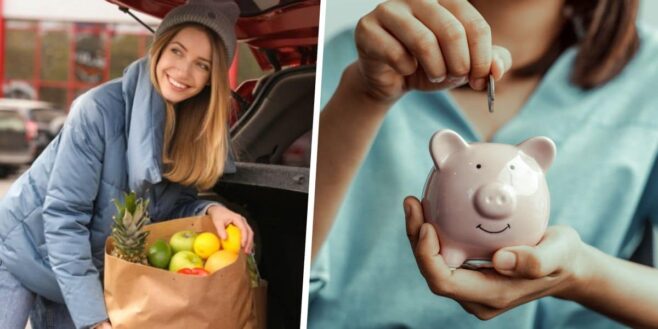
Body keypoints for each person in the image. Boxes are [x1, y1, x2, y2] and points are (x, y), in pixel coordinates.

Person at [310, 0, 658, 328]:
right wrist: (362, 95)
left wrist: (583, 272)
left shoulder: (649, 80)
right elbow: (280, 260)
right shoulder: (358, 60)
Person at [0, 1, 255, 328]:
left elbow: (169, 209)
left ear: (211, 78)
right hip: (24, 249)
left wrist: (208, 211)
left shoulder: (194, 133)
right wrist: (94, 318)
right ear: (159, 49)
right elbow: (64, 218)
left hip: (86, 271)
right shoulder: (98, 111)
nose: (183, 71)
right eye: (177, 51)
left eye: (201, 64)